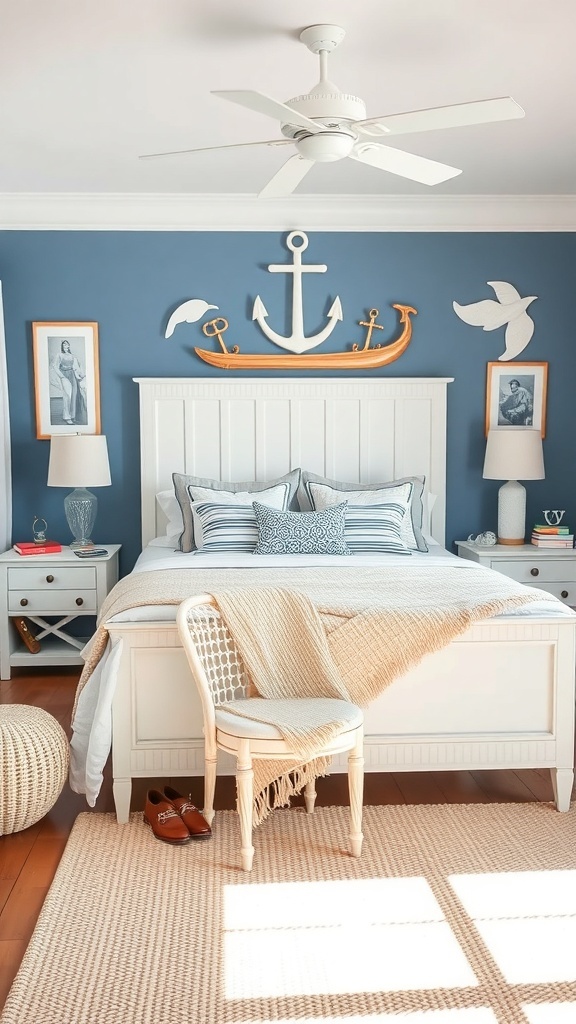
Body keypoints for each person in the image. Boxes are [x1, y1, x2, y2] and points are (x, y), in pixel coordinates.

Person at [50, 340, 87, 425]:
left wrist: (80, 375)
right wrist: (61, 376)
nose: (65, 346)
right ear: (62, 347)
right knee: (67, 395)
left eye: (67, 345)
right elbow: (55, 366)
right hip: (64, 374)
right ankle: (66, 417)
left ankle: (72, 416)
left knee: (73, 395)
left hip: (72, 375)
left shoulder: (72, 356)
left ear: (69, 346)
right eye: (64, 345)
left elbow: (76, 367)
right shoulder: (59, 355)